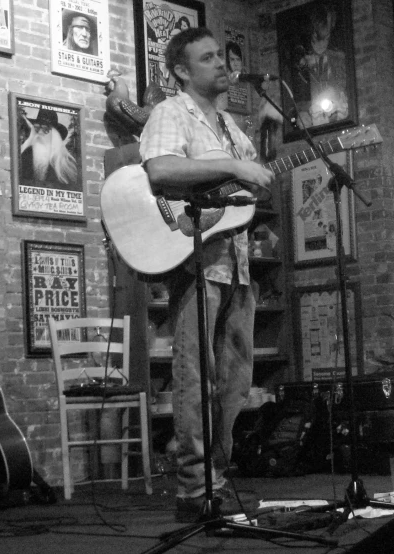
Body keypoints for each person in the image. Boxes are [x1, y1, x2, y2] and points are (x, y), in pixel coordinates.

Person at [139, 27, 274, 522]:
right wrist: (226, 166)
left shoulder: (232, 128)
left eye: (222, 55)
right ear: (181, 70)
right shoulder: (172, 113)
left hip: (236, 263)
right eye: (209, 57)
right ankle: (194, 490)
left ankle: (217, 481)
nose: (222, 63)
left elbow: (248, 183)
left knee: (236, 380)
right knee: (196, 376)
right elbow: (160, 171)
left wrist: (260, 164)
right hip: (197, 259)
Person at [19, 108, 77, 189]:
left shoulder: (67, 167)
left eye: (45, 129)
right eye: (37, 128)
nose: (39, 133)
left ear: (55, 135)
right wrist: (27, 142)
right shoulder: (25, 156)